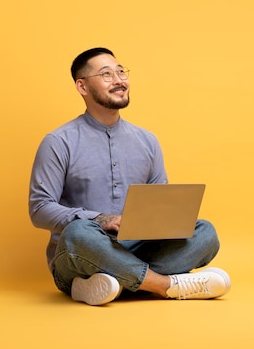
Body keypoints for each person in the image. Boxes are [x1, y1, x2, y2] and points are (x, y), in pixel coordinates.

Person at [29, 47, 230, 305]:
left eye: (121, 71)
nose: (119, 80)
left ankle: (108, 284)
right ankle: (164, 285)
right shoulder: (59, 142)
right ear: (82, 87)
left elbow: (161, 204)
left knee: (205, 232)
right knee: (78, 232)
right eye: (106, 74)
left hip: (140, 249)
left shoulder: (147, 141)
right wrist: (101, 219)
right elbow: (39, 209)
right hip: (82, 253)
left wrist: (168, 217)